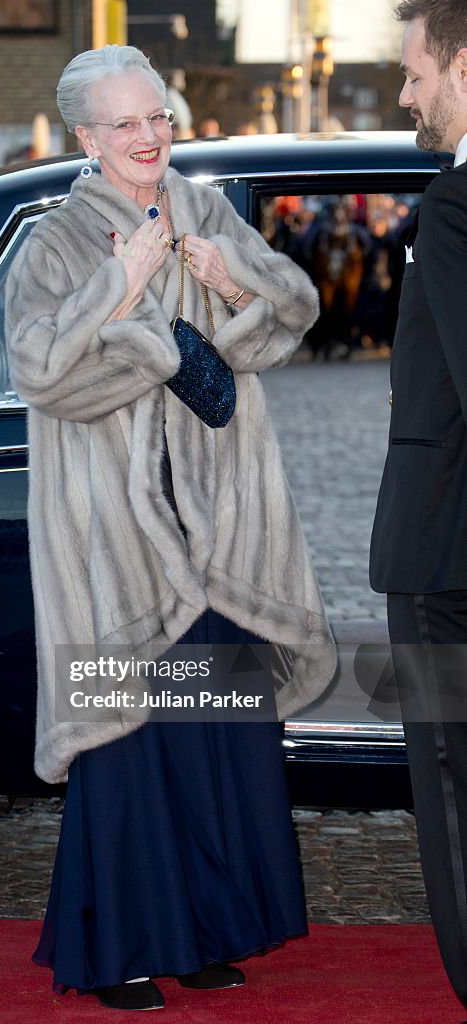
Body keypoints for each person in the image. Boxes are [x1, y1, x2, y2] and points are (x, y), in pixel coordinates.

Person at [6, 44, 336, 1013]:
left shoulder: (202, 206)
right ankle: (117, 951)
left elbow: (292, 311)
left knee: (211, 735)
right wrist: (124, 295)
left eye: (156, 116)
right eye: (124, 124)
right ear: (84, 138)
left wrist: (230, 284)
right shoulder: (56, 239)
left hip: (219, 526)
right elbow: (39, 369)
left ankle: (202, 932)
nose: (149, 137)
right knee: (125, 745)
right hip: (114, 537)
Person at [369, 1, 467, 1015]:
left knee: (449, 798)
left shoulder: (454, 205)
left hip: (443, 559)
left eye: (411, 72)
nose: (403, 94)